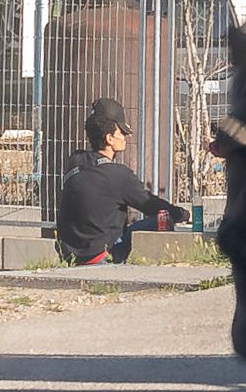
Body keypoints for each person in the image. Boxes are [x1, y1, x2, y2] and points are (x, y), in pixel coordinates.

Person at [54, 98, 188, 266]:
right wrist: (182, 214)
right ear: (110, 138)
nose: (126, 136)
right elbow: (151, 205)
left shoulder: (75, 160)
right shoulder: (118, 175)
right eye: (122, 132)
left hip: (70, 256)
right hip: (101, 255)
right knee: (163, 218)